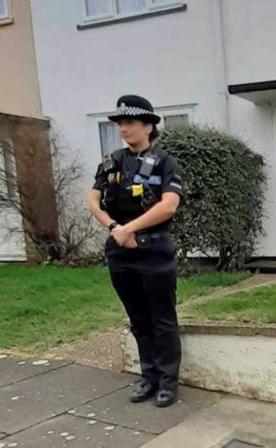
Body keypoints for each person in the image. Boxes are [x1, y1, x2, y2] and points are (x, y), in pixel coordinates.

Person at [87, 94, 184, 407]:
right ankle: (149, 377)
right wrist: (116, 228)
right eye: (120, 124)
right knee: (138, 319)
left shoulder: (166, 162)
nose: (123, 129)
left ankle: (168, 382)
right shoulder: (112, 161)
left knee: (162, 320)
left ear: (148, 126)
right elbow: (92, 201)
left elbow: (168, 206)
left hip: (154, 251)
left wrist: (131, 229)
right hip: (120, 251)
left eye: (129, 123)